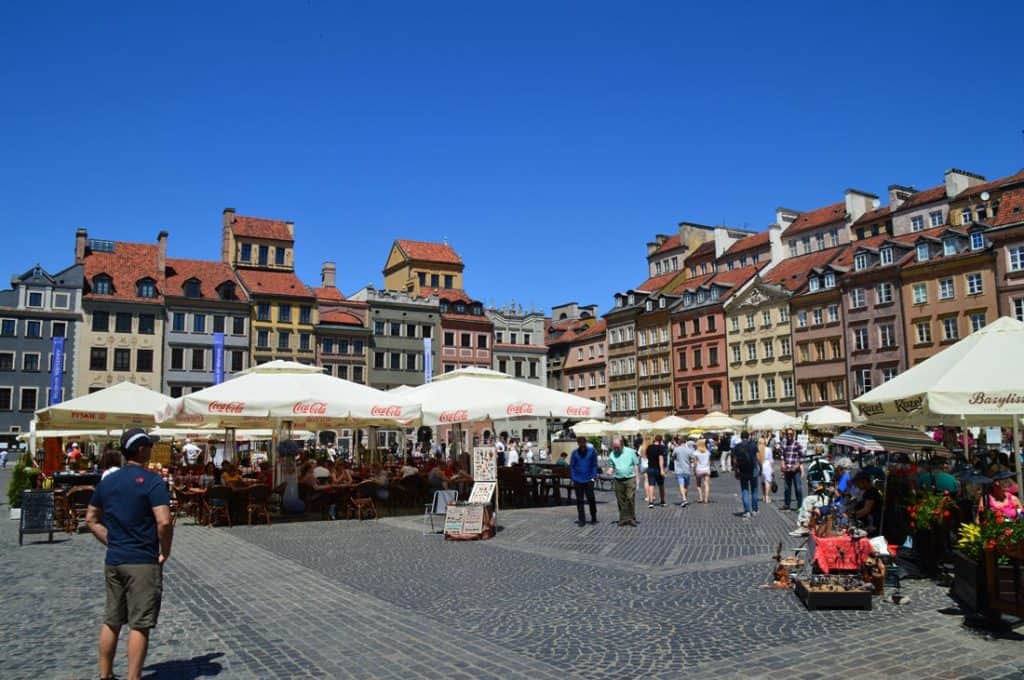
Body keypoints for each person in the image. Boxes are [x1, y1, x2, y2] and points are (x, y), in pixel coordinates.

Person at [85, 428, 172, 680]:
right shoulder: (153, 481)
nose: (152, 449)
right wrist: (164, 551)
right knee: (140, 624)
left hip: (114, 558)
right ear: (142, 449)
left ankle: (106, 675)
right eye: (150, 445)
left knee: (112, 619)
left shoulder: (108, 481)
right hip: (142, 560)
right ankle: (134, 677)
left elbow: (91, 518)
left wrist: (111, 540)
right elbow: (164, 522)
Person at [606, 437, 639, 526]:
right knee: (620, 500)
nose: (616, 449)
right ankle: (623, 519)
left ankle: (632, 518)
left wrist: (637, 478)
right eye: (614, 447)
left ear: (622, 445)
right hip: (618, 479)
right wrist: (610, 470)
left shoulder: (630, 452)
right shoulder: (612, 454)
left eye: (617, 447)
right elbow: (611, 465)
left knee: (630, 498)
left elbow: (636, 465)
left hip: (630, 478)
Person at [569, 436, 598, 526]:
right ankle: (581, 519)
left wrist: (593, 477)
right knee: (579, 500)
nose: (582, 447)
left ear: (585, 443)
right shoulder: (575, 453)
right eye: (580, 445)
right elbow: (572, 466)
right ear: (578, 444)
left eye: (583, 444)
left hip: (589, 479)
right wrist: (574, 477)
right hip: (578, 479)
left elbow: (594, 464)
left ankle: (593, 516)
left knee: (591, 498)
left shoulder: (592, 451)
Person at [733, 431, 760, 519]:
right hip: (753, 470)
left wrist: (736, 471)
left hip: (743, 470)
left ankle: (747, 511)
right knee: (754, 490)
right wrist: (761, 467)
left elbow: (735, 461)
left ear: (741, 437)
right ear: (748, 437)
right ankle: (755, 510)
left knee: (745, 490)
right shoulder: (753, 445)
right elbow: (758, 458)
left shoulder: (737, 446)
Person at [849, 472, 882, 536]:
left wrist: (853, 516)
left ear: (864, 481)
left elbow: (866, 510)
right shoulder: (867, 492)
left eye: (857, 482)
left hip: (873, 524)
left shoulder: (871, 492)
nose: (856, 485)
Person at [779, 428, 804, 511]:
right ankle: (787, 504)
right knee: (787, 488)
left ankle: (800, 505)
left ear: (793, 435)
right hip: (787, 469)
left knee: (798, 488)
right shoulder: (784, 444)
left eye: (791, 434)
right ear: (786, 435)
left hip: (795, 470)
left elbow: (802, 457)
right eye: (788, 434)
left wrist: (797, 466)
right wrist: (782, 463)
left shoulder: (797, 444)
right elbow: (782, 455)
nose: (789, 436)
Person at [644, 435, 668, 508]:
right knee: (661, 485)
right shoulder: (661, 448)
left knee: (651, 485)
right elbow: (661, 459)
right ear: (660, 441)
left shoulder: (649, 447)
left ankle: (651, 502)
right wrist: (662, 470)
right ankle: (662, 501)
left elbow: (647, 456)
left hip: (650, 467)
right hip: (657, 468)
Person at [671, 435, 693, 507]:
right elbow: (692, 459)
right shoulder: (689, 450)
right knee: (686, 486)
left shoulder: (676, 449)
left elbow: (672, 458)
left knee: (681, 485)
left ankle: (684, 499)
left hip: (679, 470)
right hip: (687, 470)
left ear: (679, 442)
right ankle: (684, 499)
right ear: (685, 442)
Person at [691, 438, 712, 504]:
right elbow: (709, 462)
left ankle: (700, 498)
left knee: (698, 484)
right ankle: (706, 499)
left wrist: (694, 470)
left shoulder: (695, 453)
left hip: (699, 469)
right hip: (706, 469)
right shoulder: (708, 452)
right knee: (707, 485)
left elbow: (695, 463)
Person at [759, 437, 774, 503]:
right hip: (767, 465)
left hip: (760, 466)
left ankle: (763, 496)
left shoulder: (758, 449)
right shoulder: (768, 449)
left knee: (762, 482)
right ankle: (767, 496)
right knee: (768, 481)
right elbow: (771, 460)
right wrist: (772, 468)